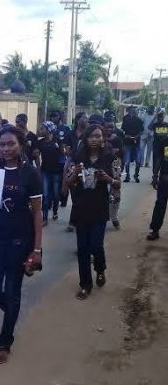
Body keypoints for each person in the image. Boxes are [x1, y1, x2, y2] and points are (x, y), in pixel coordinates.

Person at [0, 126, 42, 364]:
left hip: (20, 240)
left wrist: (37, 249)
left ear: (21, 145)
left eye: (11, 144)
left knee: (12, 289)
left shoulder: (30, 174)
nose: (6, 148)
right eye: (2, 144)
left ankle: (5, 342)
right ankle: (12, 310)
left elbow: (38, 215)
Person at [66, 124, 119, 300]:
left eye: (98, 136)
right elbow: (68, 182)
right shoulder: (77, 157)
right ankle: (85, 285)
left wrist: (108, 179)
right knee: (82, 249)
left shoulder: (110, 158)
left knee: (96, 246)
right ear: (86, 139)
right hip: (81, 208)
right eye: (91, 136)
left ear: (104, 138)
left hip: (100, 209)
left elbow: (118, 184)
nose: (95, 139)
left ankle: (100, 269)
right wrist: (75, 173)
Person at [62, 112, 89, 232]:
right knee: (75, 194)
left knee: (83, 195)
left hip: (86, 165)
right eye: (84, 118)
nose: (86, 120)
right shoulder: (71, 133)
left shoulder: (89, 133)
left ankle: (77, 221)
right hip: (72, 164)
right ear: (78, 120)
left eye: (87, 118)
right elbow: (64, 145)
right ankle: (74, 221)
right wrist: (66, 149)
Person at [37, 121, 64, 225]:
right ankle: (44, 218)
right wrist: (38, 169)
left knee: (56, 194)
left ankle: (55, 211)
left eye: (42, 129)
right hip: (45, 171)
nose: (40, 130)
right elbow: (36, 155)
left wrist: (60, 148)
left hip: (57, 172)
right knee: (45, 195)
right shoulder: (40, 142)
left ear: (49, 130)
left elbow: (63, 154)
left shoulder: (57, 140)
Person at [147, 128, 168, 241]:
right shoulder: (165, 141)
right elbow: (160, 158)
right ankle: (154, 230)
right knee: (160, 204)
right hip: (165, 179)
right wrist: (155, 176)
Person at [104, 112, 124, 229]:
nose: (110, 129)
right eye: (107, 127)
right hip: (102, 170)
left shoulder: (118, 140)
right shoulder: (99, 139)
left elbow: (121, 156)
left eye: (112, 126)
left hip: (115, 169)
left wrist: (118, 172)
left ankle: (114, 217)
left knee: (116, 195)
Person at [49, 110, 71, 207]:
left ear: (59, 117)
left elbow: (69, 142)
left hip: (63, 158)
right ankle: (53, 200)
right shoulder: (50, 128)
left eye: (55, 116)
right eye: (52, 117)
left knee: (64, 179)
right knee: (53, 181)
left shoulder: (66, 128)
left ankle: (63, 199)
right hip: (52, 158)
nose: (54, 118)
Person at [121, 106, 144, 183]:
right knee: (126, 161)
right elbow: (123, 129)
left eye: (135, 110)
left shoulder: (139, 120)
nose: (133, 111)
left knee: (138, 161)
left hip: (136, 143)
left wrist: (136, 137)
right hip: (127, 142)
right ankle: (127, 176)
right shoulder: (125, 118)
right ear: (129, 110)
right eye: (132, 109)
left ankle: (136, 175)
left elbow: (142, 131)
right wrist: (125, 135)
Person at [149, 108, 168, 187]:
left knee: (166, 161)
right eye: (159, 117)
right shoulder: (155, 125)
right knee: (156, 163)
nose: (161, 118)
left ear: (163, 117)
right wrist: (155, 116)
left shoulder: (166, 124)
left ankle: (163, 178)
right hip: (157, 146)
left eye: (162, 117)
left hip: (166, 147)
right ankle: (155, 179)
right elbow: (149, 126)